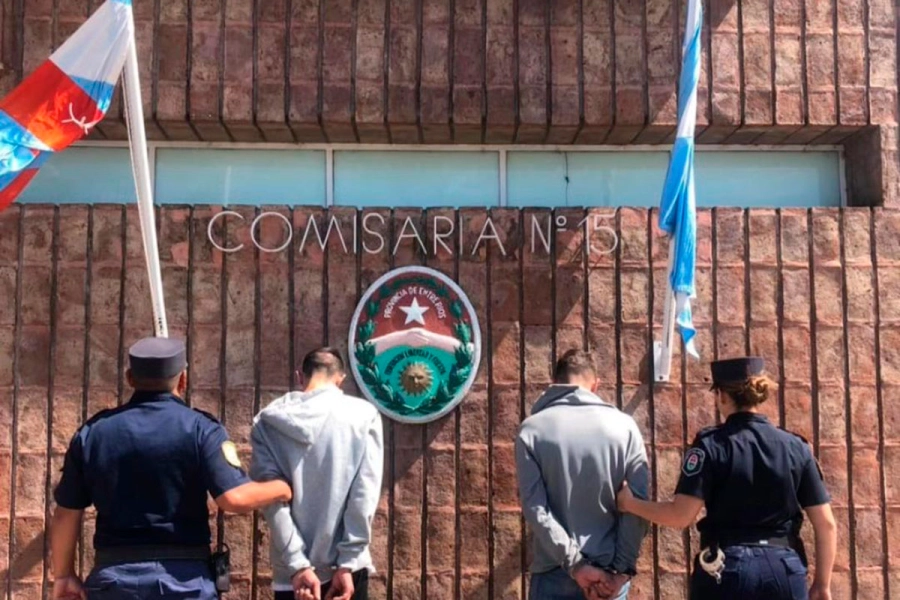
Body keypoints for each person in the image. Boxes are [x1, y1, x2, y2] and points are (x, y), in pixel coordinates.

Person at [50, 337, 293, 600]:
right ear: (183, 379)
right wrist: (282, 488)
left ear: (130, 378)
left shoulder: (93, 432)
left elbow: (66, 513)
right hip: (184, 582)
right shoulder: (202, 429)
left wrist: (63, 575)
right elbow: (234, 498)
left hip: (114, 579)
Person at [617, 356, 837, 600]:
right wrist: (822, 584)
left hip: (727, 568)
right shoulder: (796, 447)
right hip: (784, 568)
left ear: (721, 395)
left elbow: (680, 515)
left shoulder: (711, 445)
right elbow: (826, 524)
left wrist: (630, 504)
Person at [515, 349, 650, 600]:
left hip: (555, 572)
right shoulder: (625, 427)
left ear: (554, 383)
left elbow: (536, 509)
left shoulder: (531, 430)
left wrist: (576, 565)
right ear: (596, 385)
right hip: (611, 577)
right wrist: (621, 571)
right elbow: (637, 506)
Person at [250, 347, 384, 600]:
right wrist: (348, 561)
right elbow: (363, 496)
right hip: (346, 572)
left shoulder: (267, 423)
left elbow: (272, 502)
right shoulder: (364, 416)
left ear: (300, 376)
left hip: (293, 577)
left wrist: (298, 564)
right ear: (340, 379)